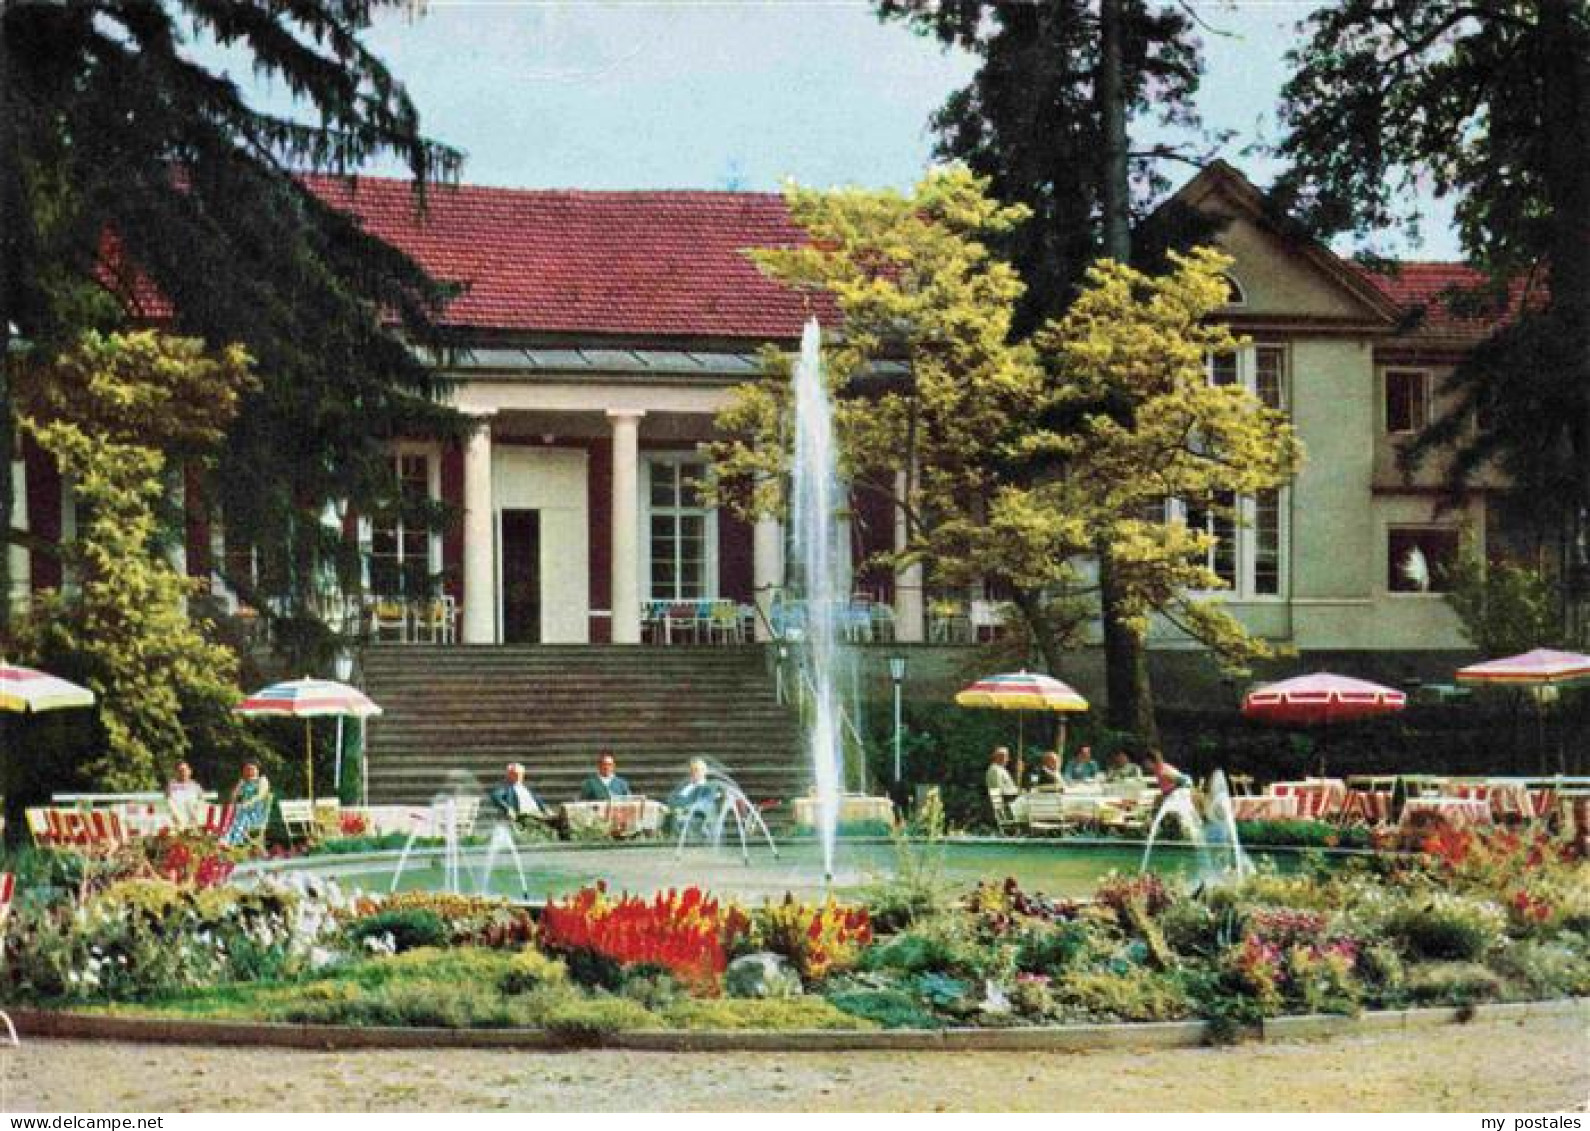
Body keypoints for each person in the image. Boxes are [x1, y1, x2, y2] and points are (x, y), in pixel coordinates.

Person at [489, 762, 557, 827]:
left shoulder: (527, 789)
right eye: (515, 774)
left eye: (520, 774)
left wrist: (547, 809)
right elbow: (495, 796)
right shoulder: (506, 788)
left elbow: (538, 801)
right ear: (509, 775)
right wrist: (508, 809)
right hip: (523, 815)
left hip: (537, 814)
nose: (519, 776)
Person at [222, 761, 272, 847]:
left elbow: (260, 796)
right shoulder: (243, 782)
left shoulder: (262, 780)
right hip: (242, 811)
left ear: (258, 770)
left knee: (239, 816)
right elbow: (232, 798)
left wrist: (247, 803)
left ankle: (231, 842)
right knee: (229, 814)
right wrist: (238, 786)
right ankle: (226, 841)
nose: (249, 771)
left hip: (257, 813)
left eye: (251, 769)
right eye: (246, 769)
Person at [667, 758, 721, 834]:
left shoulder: (707, 787)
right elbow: (671, 798)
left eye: (696, 770)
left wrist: (683, 809)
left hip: (690, 817)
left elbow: (704, 803)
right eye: (692, 770)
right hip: (673, 812)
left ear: (704, 772)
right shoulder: (685, 785)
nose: (693, 772)